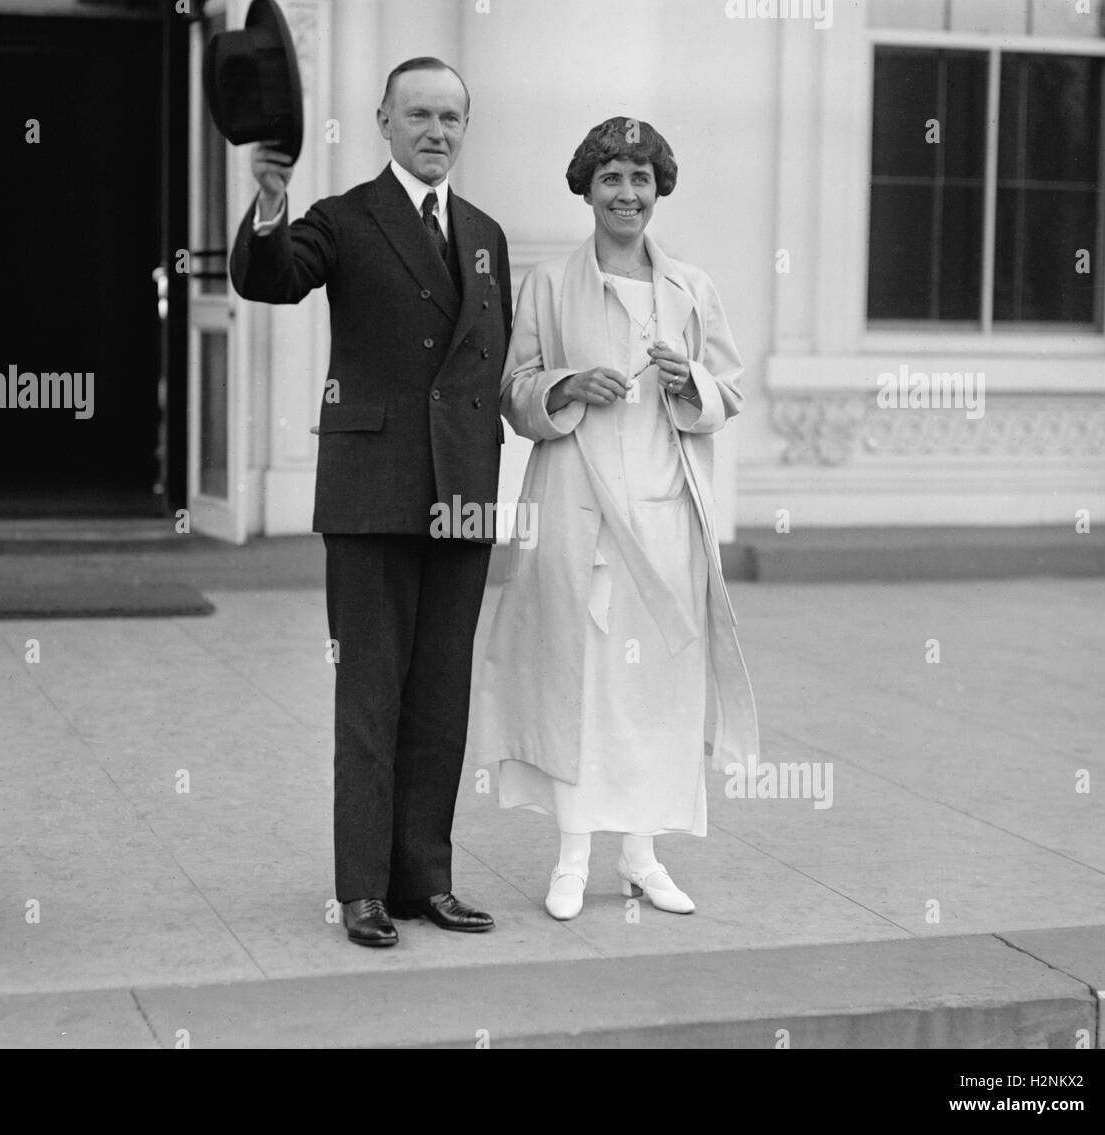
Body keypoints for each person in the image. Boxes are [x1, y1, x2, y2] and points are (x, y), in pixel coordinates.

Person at [230, 58, 512, 947]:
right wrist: (269, 206)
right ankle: (361, 888)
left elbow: (486, 362)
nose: (436, 131)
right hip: (371, 493)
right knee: (370, 696)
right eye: (419, 115)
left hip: (462, 494)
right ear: (383, 120)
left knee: (441, 695)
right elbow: (270, 277)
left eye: (451, 118)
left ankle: (425, 876)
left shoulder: (485, 233)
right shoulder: (343, 219)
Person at [469, 117, 759, 921]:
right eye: (611, 178)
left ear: (658, 187)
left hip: (663, 520)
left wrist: (687, 377)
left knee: (655, 688)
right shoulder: (548, 286)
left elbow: (728, 394)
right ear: (587, 189)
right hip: (576, 518)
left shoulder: (693, 287)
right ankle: (570, 856)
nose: (626, 193)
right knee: (578, 685)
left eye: (640, 177)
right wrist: (564, 386)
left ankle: (641, 854)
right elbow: (513, 392)